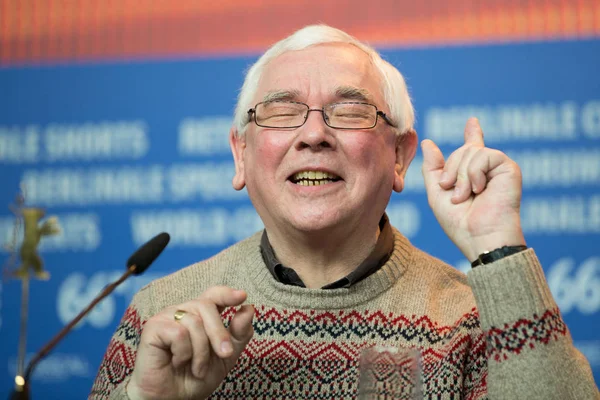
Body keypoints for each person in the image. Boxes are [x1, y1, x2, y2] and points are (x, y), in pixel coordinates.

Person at [89, 25, 599, 399]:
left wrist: (498, 248)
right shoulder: (166, 312)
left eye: (350, 111)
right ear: (241, 154)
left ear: (399, 156)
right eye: (282, 111)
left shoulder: (474, 321)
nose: (313, 135)